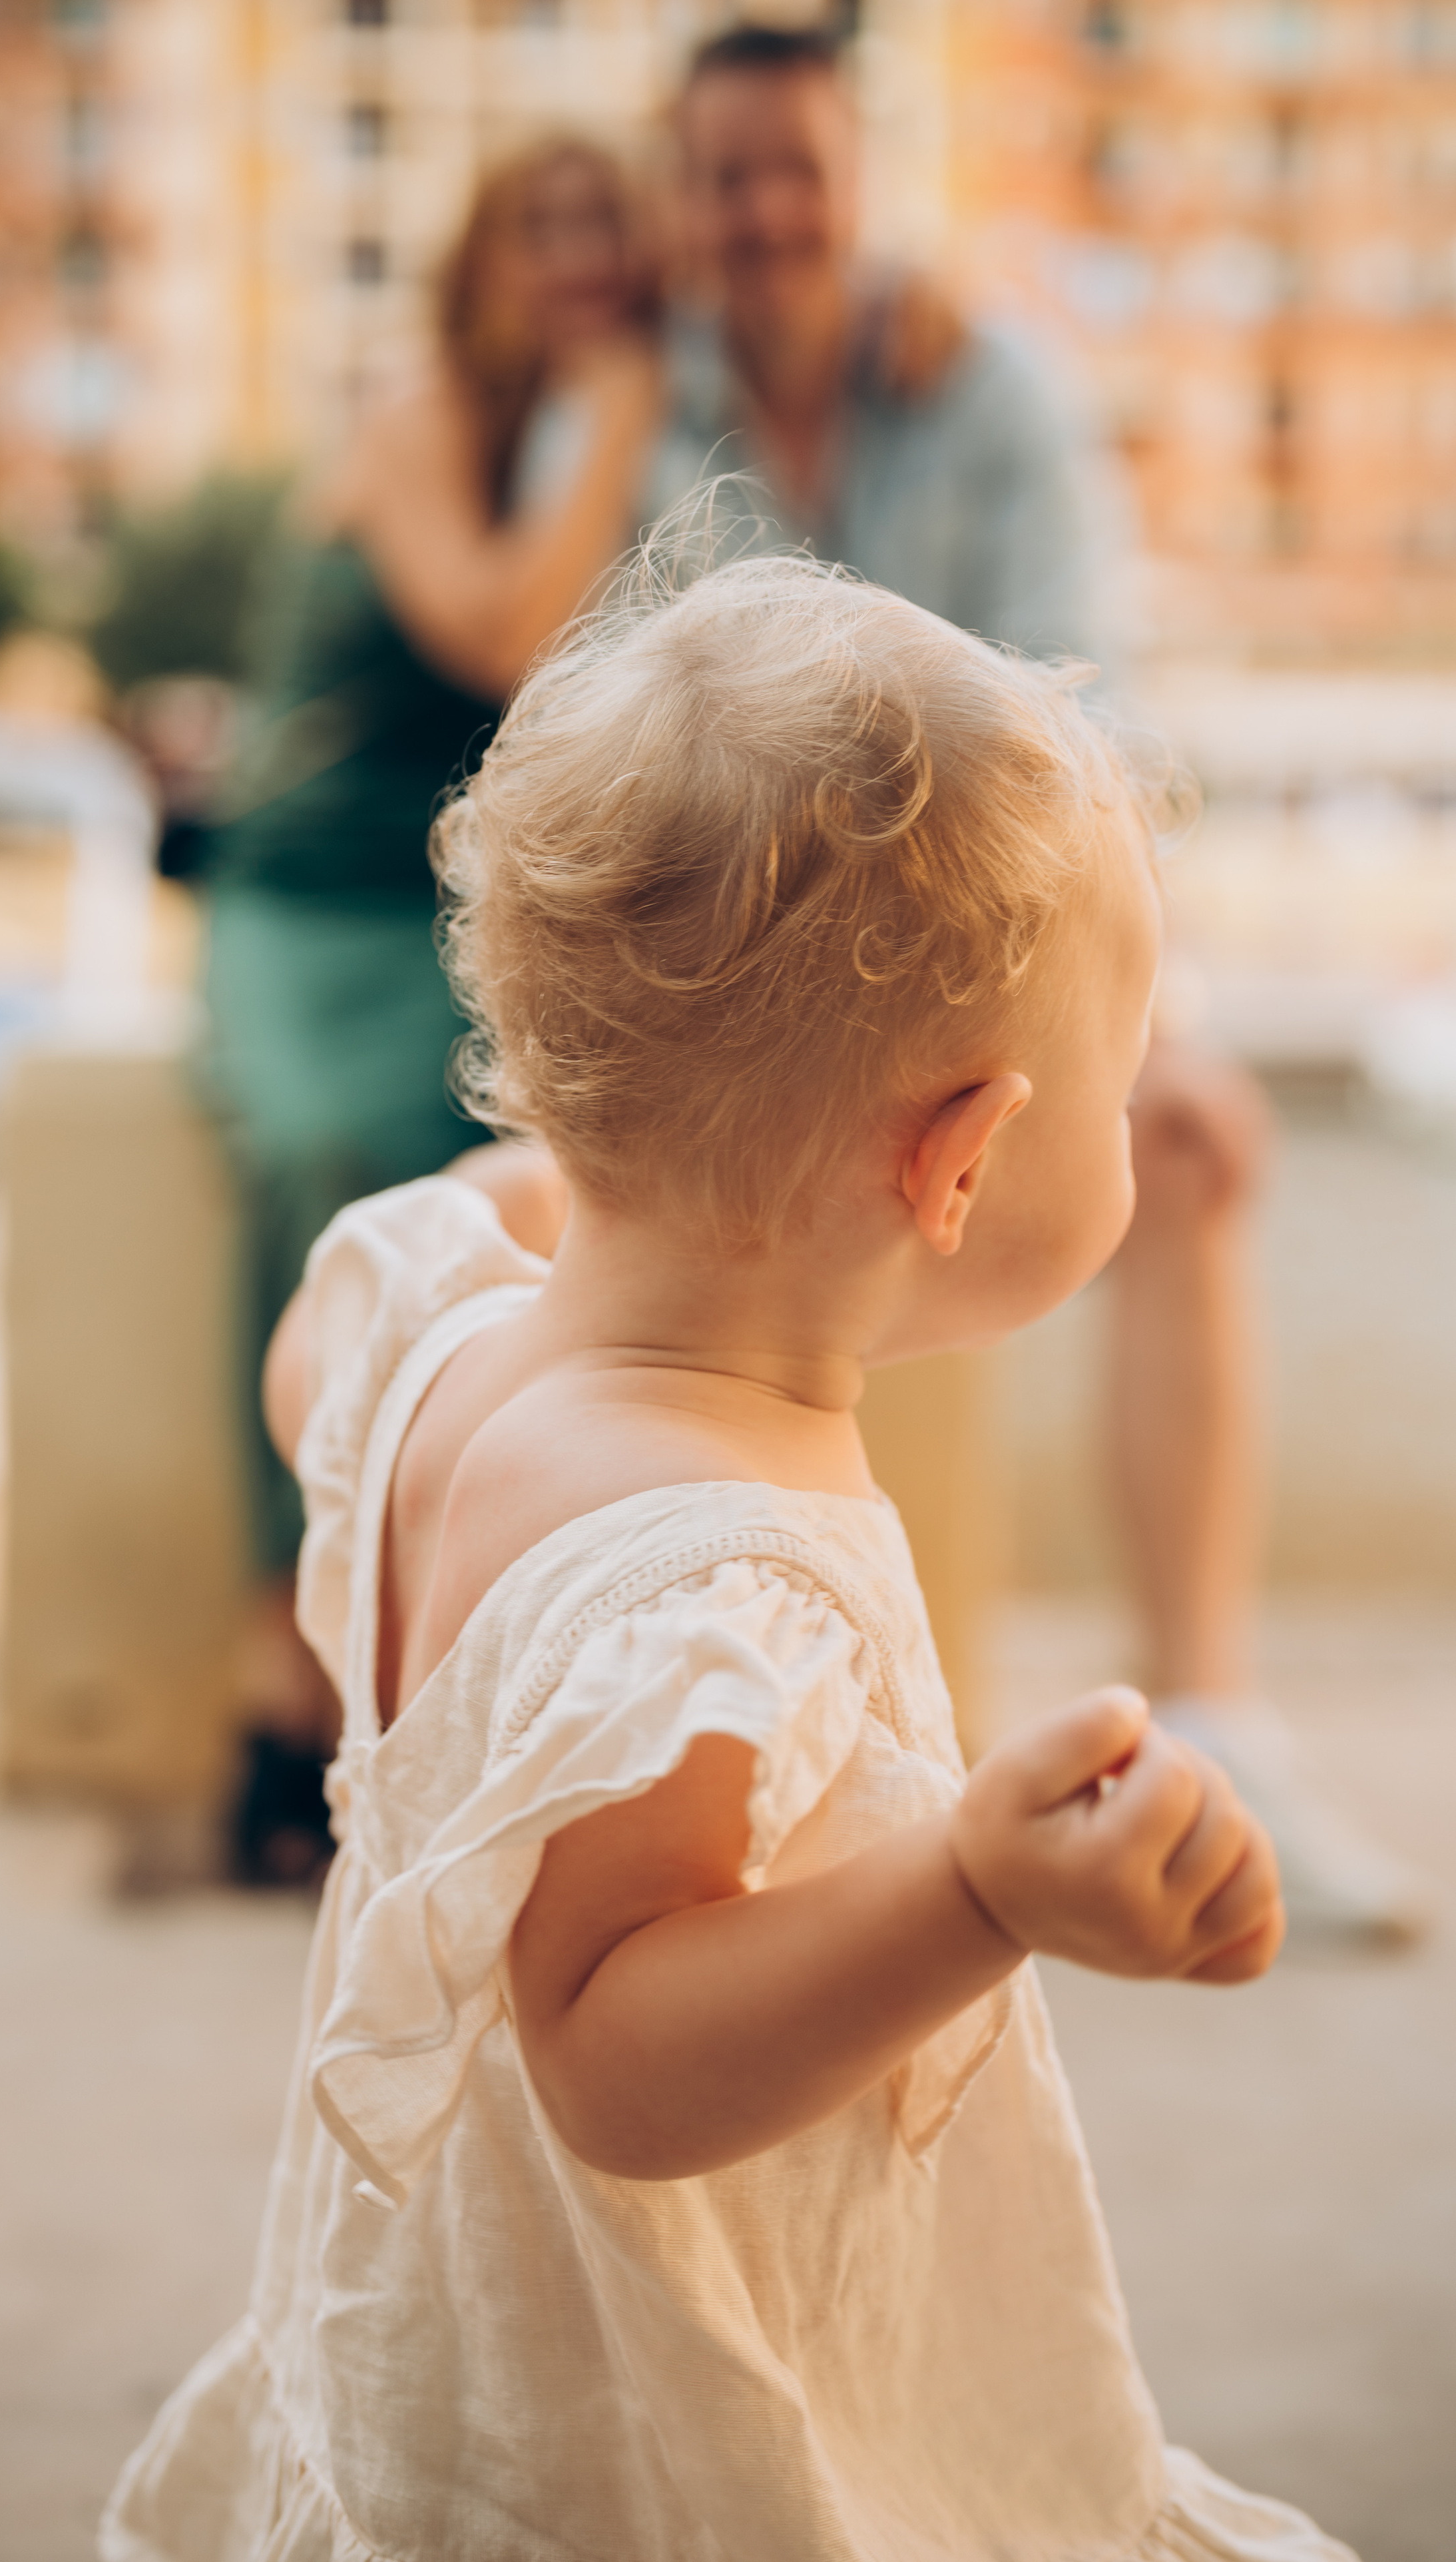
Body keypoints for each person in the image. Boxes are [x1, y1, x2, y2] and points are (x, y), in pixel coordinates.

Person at [101, 546, 1355, 2562]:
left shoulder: (423, 1328)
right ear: (959, 1164)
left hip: (446, 2342)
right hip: (642, 2452)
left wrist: (619, 1156)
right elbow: (617, 2056)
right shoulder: (711, 1585)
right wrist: (975, 1890)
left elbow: (309, 1358)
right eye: (1117, 1093)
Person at [648, 20, 1425, 1947]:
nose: (765, 212)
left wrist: (1104, 1016)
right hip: (735, 957)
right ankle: (709, 1745)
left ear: (859, 182)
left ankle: (1207, 1726)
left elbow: (1084, 724)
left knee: (1194, 1141)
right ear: (684, 197)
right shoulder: (631, 397)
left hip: (971, 919)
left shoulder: (988, 385)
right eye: (728, 175)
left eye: (798, 170)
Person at [196, 139, 662, 1879]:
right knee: (318, 1160)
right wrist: (618, 414)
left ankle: (452, 1686)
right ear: (477, 257)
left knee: (529, 1209)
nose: (578, 256)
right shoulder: (422, 418)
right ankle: (280, 1681)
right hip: (310, 897)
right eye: (543, 224)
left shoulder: (600, 441)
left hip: (467, 906)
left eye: (608, 224)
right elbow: (494, 630)